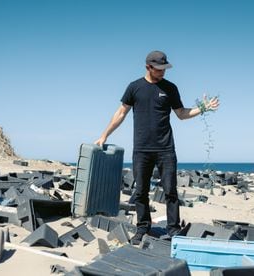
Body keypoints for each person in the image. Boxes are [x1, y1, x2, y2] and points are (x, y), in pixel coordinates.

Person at [94, 50, 219, 245]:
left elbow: (181, 113)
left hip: (166, 149)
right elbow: (121, 113)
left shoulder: (170, 88)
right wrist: (104, 135)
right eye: (159, 69)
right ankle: (142, 228)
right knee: (141, 192)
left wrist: (203, 108)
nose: (162, 72)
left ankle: (174, 230)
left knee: (171, 191)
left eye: (164, 69)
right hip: (142, 150)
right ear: (148, 67)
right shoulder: (134, 87)